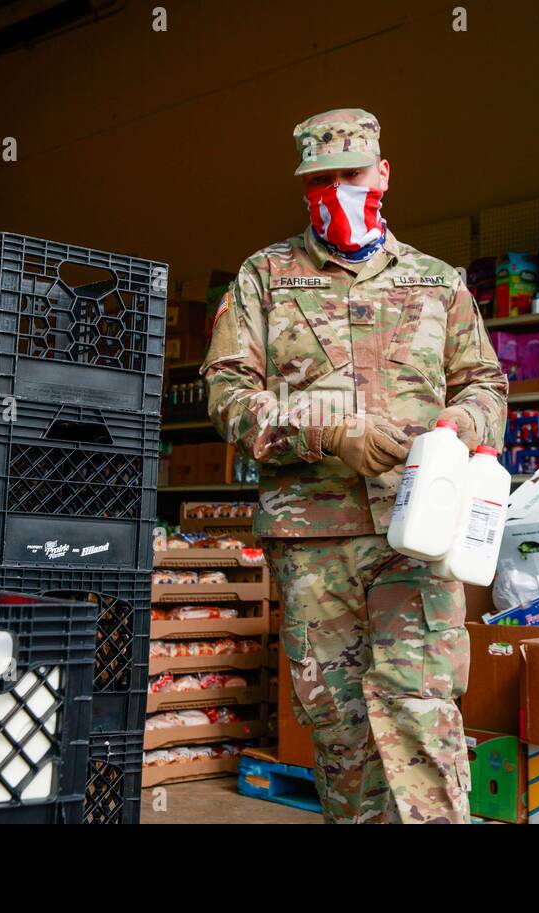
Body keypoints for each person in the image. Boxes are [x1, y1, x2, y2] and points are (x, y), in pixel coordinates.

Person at [200, 108, 507, 823]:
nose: (338, 189)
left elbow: (486, 385)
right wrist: (323, 430)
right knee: (339, 729)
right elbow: (226, 392)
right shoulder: (265, 279)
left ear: (384, 173)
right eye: (321, 178)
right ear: (303, 185)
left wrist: (459, 425)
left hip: (417, 529)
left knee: (421, 711)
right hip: (313, 543)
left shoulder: (438, 282)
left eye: (353, 173)